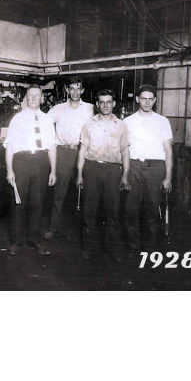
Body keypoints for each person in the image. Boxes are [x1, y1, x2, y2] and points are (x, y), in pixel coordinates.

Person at [76, 89, 129, 261]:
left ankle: (112, 248)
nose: (105, 105)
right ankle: (87, 248)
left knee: (112, 212)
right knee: (89, 211)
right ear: (97, 104)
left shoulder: (121, 125)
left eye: (109, 102)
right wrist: (79, 174)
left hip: (113, 170)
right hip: (92, 169)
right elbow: (82, 150)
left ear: (114, 103)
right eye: (102, 102)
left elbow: (124, 150)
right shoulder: (89, 124)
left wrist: (125, 174)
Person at [4, 86, 57, 256]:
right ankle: (15, 241)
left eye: (37, 95)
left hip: (41, 162)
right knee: (18, 203)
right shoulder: (17, 119)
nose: (33, 98)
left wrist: (53, 171)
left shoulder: (48, 120)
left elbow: (52, 147)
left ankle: (34, 239)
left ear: (42, 98)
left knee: (38, 202)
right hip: (21, 161)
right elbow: (9, 146)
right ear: (26, 98)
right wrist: (9, 170)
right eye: (30, 95)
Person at [123, 84, 173, 251]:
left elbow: (168, 151)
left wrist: (168, 177)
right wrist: (125, 174)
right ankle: (133, 247)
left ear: (155, 100)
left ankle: (150, 249)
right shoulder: (127, 122)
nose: (146, 102)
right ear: (137, 99)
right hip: (134, 166)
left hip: (156, 168)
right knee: (131, 209)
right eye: (143, 99)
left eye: (150, 99)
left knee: (152, 209)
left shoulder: (162, 121)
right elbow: (123, 150)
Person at [45, 78, 94, 240]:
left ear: (83, 90)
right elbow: (42, 123)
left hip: (84, 152)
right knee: (60, 192)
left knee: (81, 192)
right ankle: (53, 228)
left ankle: (78, 231)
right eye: (71, 88)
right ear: (67, 90)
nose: (74, 92)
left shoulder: (90, 109)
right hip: (63, 153)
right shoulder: (58, 109)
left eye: (78, 88)